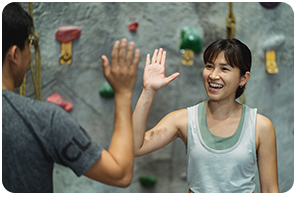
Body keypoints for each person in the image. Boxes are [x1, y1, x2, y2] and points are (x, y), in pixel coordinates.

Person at [2, 2, 140, 192]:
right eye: (29, 46)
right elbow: (120, 173)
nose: (30, 57)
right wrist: (123, 93)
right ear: (14, 55)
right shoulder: (44, 120)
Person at [132, 38, 279, 193]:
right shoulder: (183, 120)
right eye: (209, 66)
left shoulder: (260, 126)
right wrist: (148, 91)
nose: (213, 75)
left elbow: (270, 190)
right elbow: (135, 148)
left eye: (224, 69)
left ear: (243, 78)